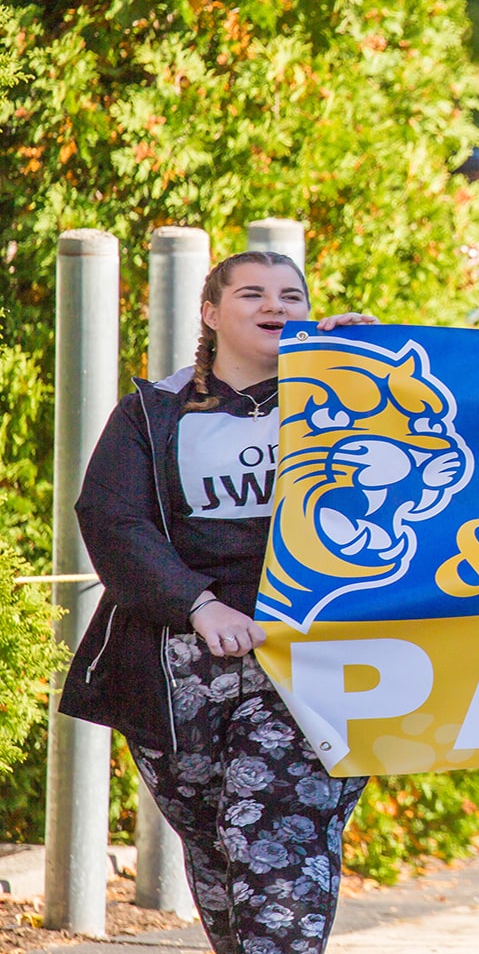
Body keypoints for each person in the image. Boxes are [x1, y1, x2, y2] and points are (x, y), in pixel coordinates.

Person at [58, 252, 376, 954]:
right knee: (224, 859)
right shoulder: (152, 411)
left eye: (293, 295)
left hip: (313, 667)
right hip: (179, 679)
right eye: (253, 293)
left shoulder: (354, 399)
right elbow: (112, 519)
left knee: (277, 840)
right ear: (210, 313)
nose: (277, 305)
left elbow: (437, 463)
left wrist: (367, 360)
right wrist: (197, 605)